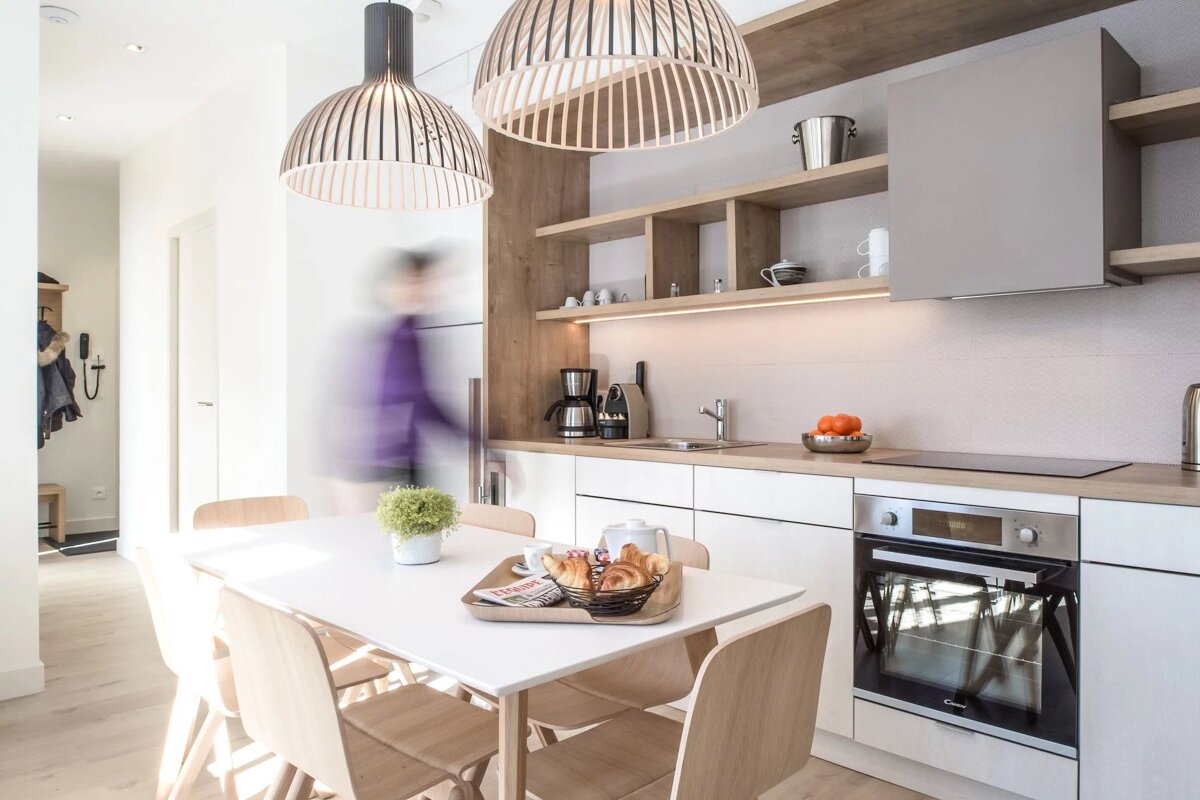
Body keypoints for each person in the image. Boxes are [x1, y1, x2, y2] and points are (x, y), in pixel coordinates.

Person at [325, 248, 465, 512]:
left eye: (426, 281)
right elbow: (418, 399)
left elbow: (423, 402)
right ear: (387, 287)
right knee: (383, 546)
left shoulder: (412, 333)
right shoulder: (386, 336)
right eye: (412, 281)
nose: (421, 289)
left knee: (412, 546)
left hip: (404, 462)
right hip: (372, 466)